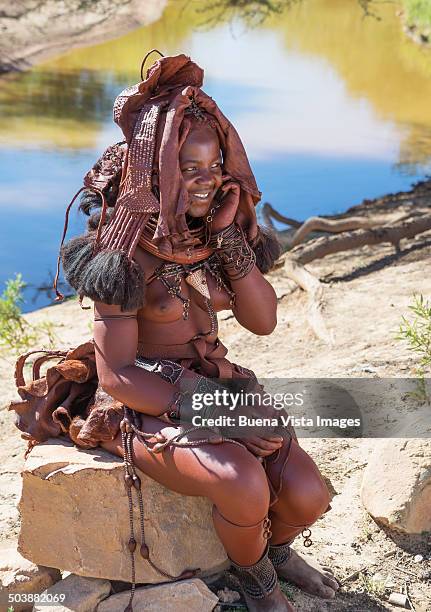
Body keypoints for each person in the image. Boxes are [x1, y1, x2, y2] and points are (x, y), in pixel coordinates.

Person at [38, 52, 339, 611]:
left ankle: (271, 550)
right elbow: (119, 374)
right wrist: (219, 416)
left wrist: (227, 236)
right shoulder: (121, 253)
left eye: (213, 165)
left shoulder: (211, 235)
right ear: (157, 172)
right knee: (243, 481)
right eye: (188, 169)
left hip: (223, 387)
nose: (205, 182)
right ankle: (258, 585)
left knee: (307, 496)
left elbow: (263, 321)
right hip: (148, 404)